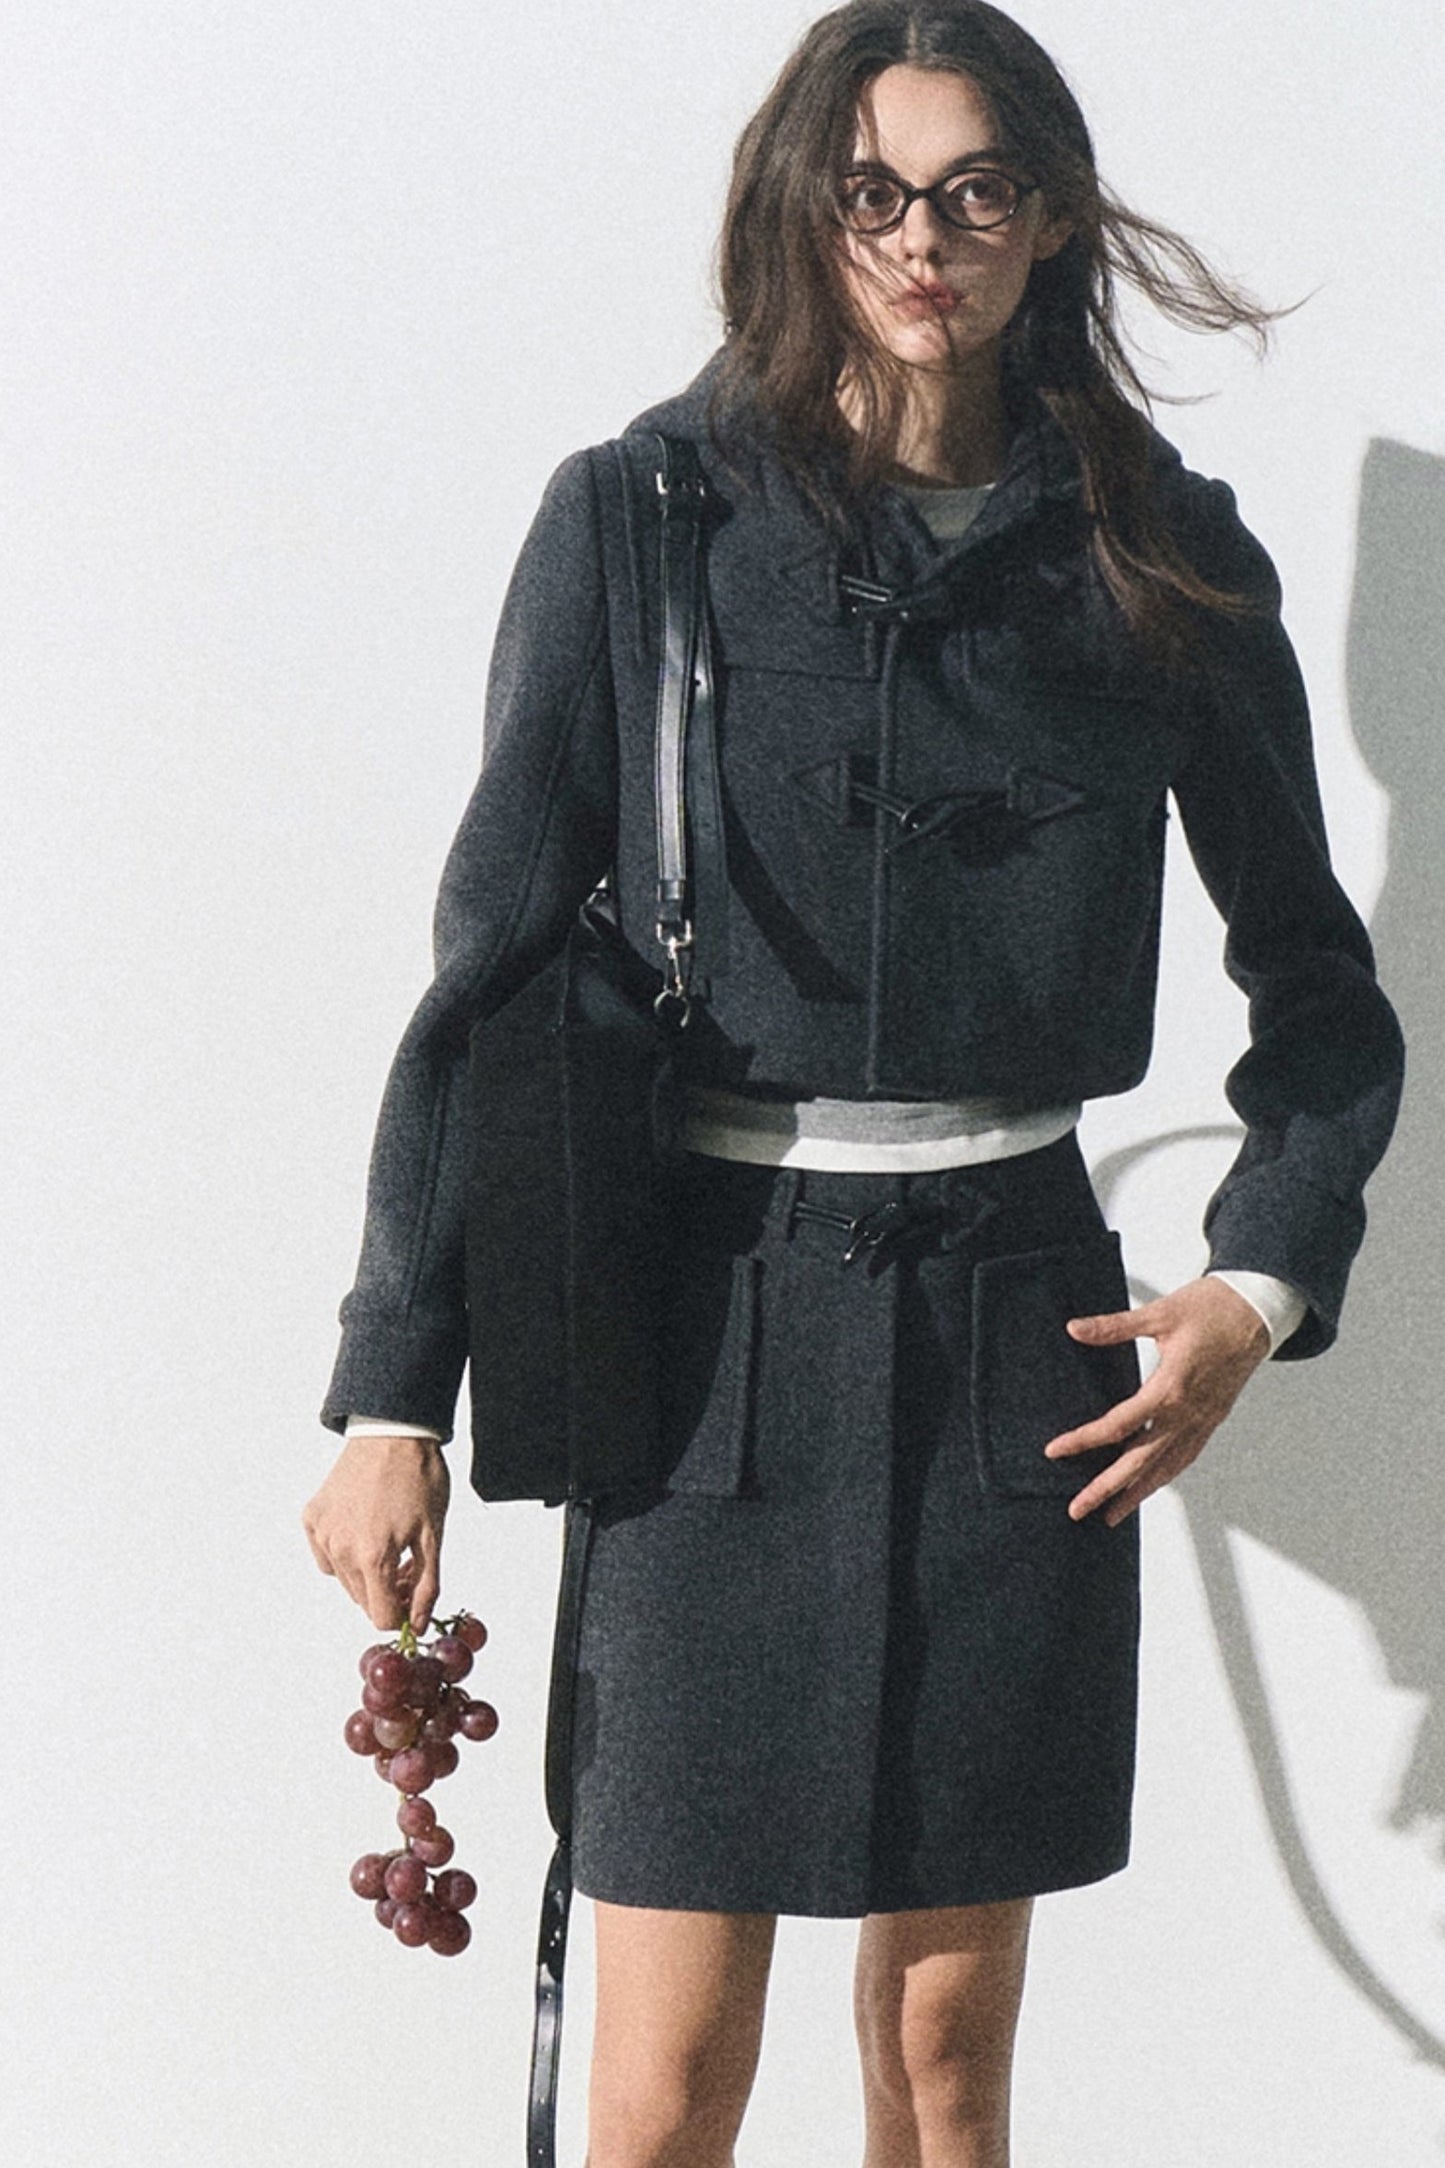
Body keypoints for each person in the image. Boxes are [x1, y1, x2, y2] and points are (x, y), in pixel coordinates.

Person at [302, 4, 1404, 2162]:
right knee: (662, 2085)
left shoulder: (1156, 549)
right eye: (873, 192)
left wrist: (1252, 1290)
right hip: (698, 1341)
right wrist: (387, 1390)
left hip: (1019, 1339)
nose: (921, 242)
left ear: (1047, 218)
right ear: (801, 211)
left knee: (944, 2065)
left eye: (975, 192)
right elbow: (489, 980)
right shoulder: (640, 518)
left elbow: (1321, 994)